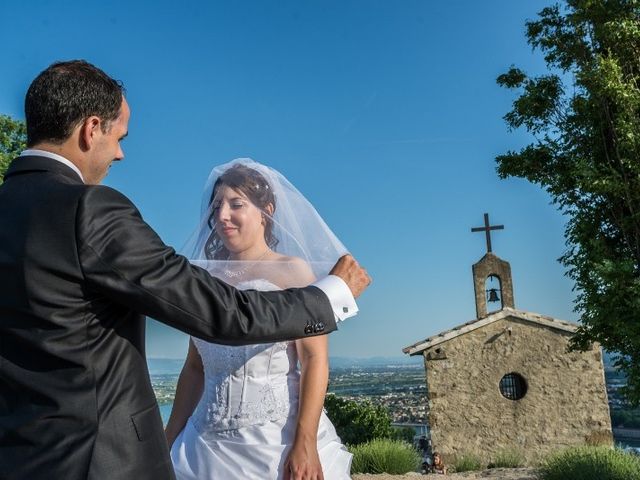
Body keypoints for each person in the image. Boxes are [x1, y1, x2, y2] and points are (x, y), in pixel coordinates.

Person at [0, 61, 370, 480]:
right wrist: (332, 292)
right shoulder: (89, 208)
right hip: (97, 460)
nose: (120, 153)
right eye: (118, 138)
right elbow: (221, 314)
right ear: (91, 129)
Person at [166, 160, 352, 480]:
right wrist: (169, 436)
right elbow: (195, 367)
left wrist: (304, 442)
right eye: (217, 206)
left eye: (236, 204)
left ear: (265, 211)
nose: (222, 215)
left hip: (275, 443)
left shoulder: (292, 272)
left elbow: (314, 359)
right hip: (203, 446)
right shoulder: (203, 278)